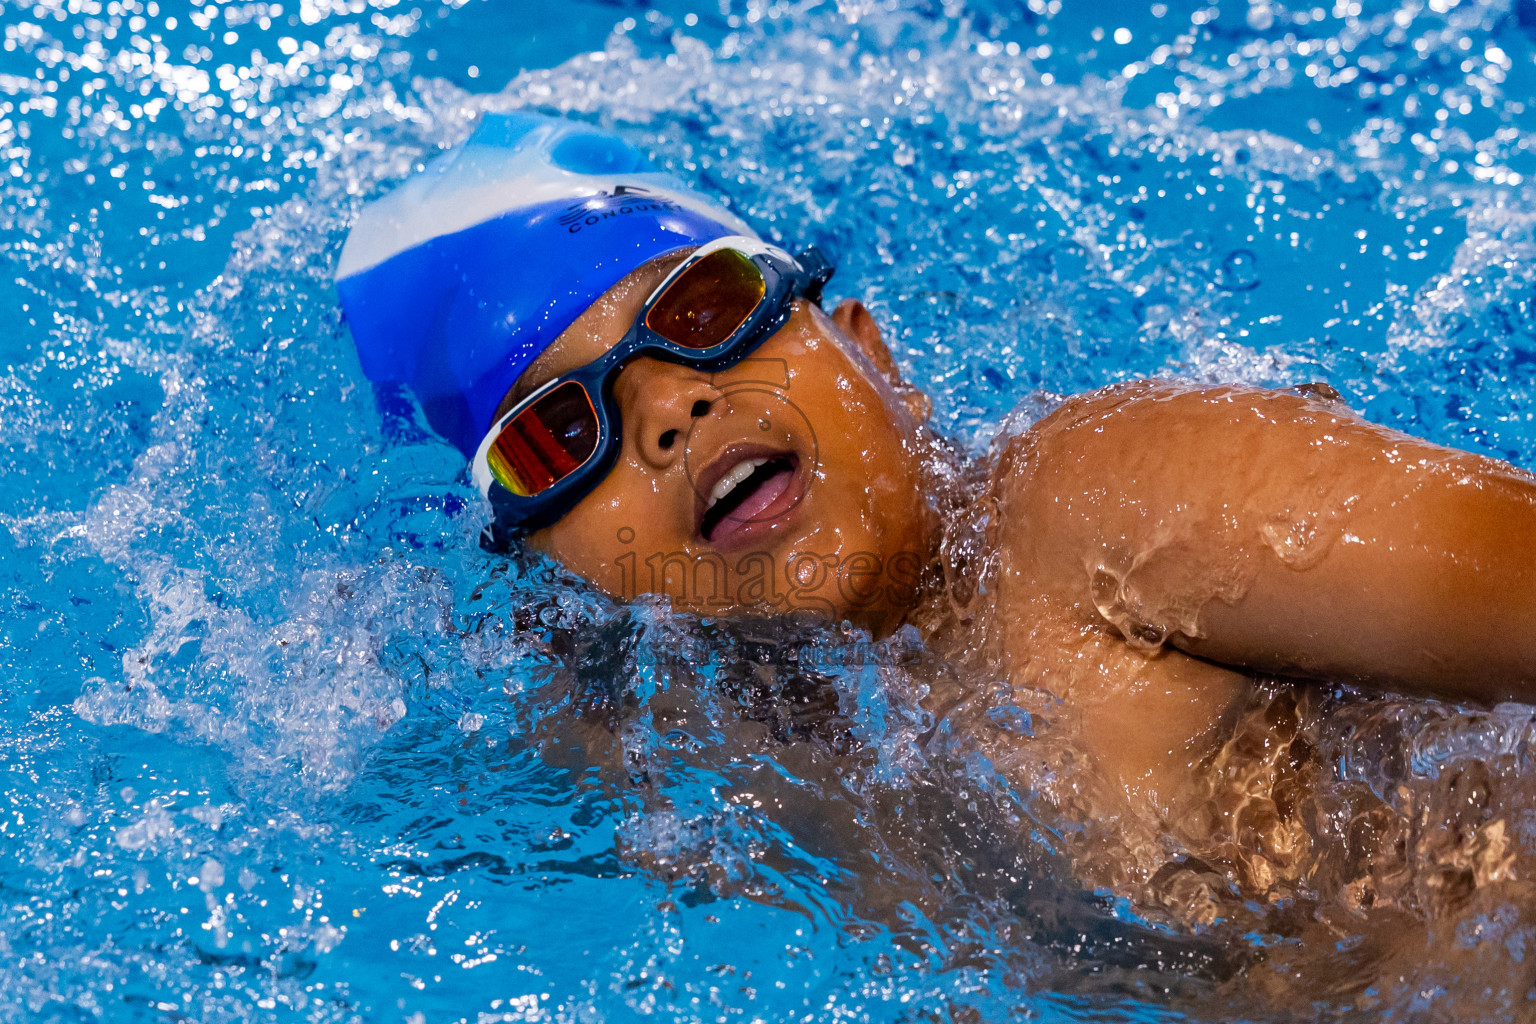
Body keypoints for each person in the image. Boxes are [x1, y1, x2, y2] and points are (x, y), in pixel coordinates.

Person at [337, 112, 1536, 954]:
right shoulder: (717, 767)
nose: (667, 409)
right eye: (557, 437)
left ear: (876, 357)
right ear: (553, 585)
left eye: (707, 310)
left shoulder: (1101, 507)